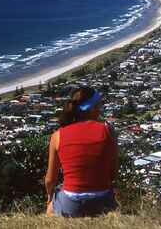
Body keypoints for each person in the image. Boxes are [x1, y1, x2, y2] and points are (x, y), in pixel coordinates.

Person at [45, 87, 120, 217]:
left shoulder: (57, 136)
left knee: (51, 207)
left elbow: (50, 179)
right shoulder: (108, 131)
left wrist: (49, 197)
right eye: (98, 105)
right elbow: (113, 173)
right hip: (103, 202)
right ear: (90, 108)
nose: (100, 109)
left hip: (70, 204)